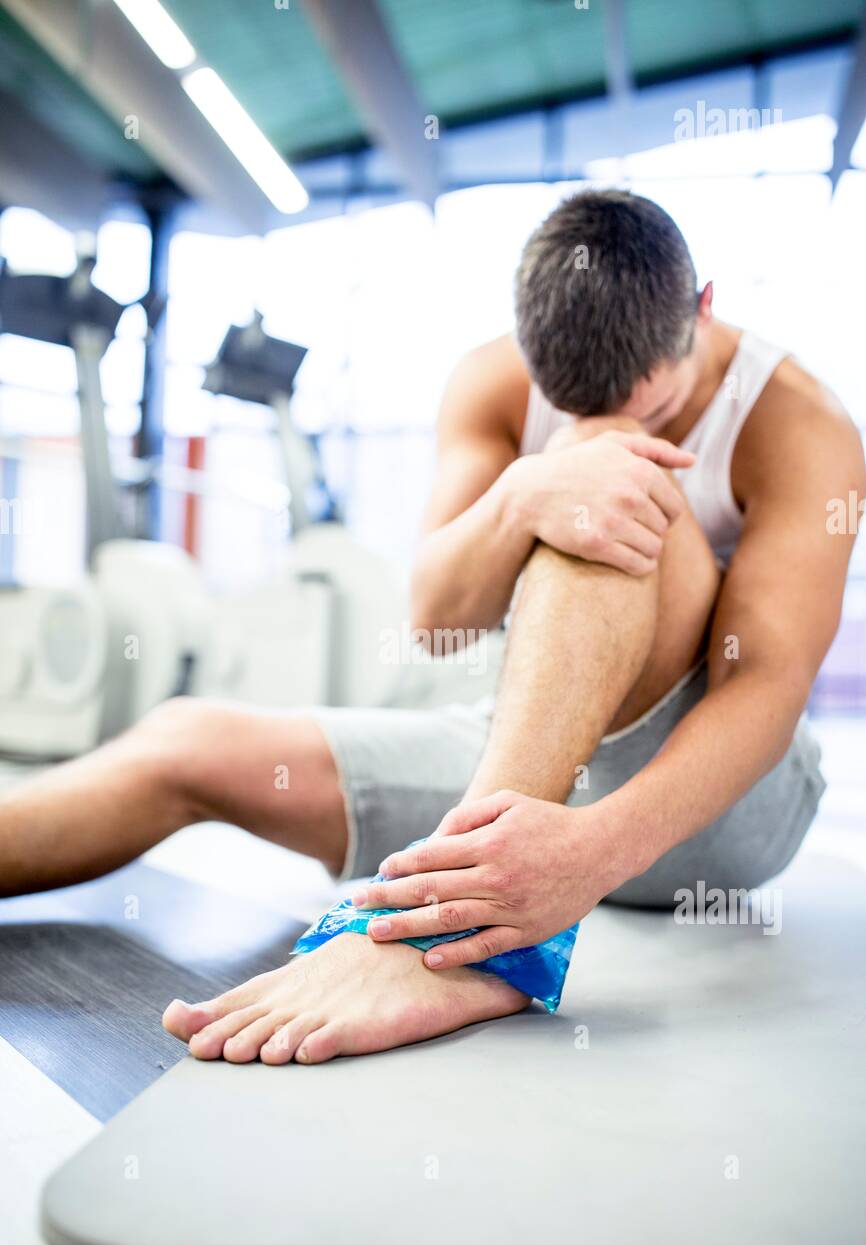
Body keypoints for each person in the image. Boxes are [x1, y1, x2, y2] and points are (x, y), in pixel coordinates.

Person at [2, 190, 862, 1066]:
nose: (623, 426)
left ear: (703, 309)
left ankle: (469, 945)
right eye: (567, 406)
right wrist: (524, 495)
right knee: (186, 743)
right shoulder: (491, 379)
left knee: (608, 480)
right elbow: (439, 619)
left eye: (655, 410)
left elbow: (766, 685)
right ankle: (482, 892)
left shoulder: (800, 424)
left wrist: (591, 854)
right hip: (528, 771)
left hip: (720, 809)